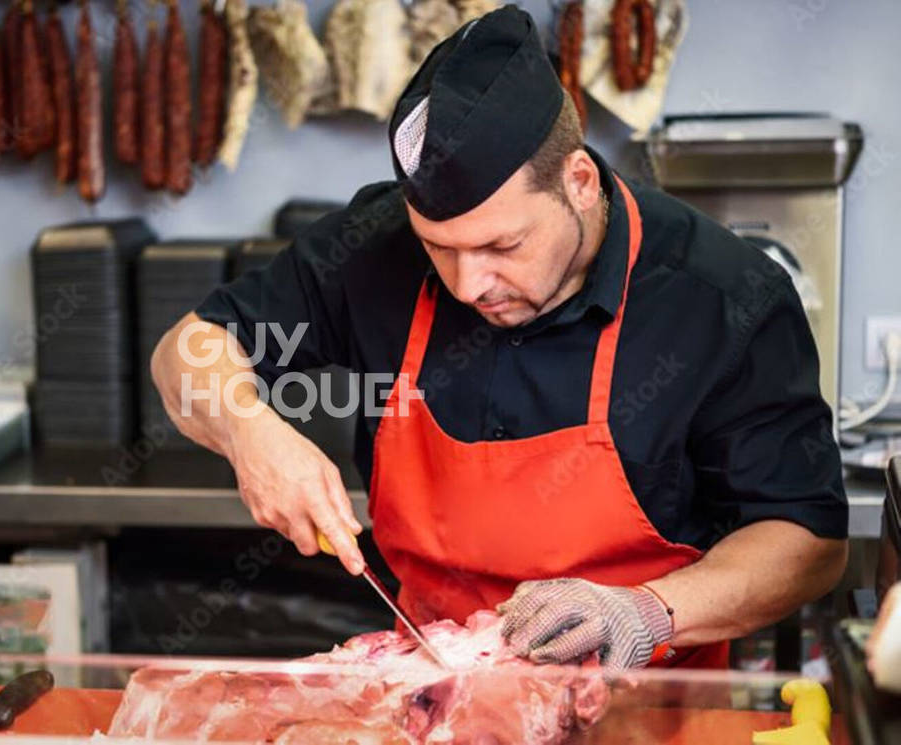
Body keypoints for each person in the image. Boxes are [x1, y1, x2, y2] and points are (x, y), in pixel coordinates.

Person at [150, 7, 848, 670]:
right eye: (438, 249)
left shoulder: (720, 297)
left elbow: (809, 540)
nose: (466, 283)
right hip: (435, 700)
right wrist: (249, 431)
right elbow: (189, 346)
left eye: (501, 244)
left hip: (652, 709)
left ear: (577, 182)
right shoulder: (375, 248)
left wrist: (647, 612)